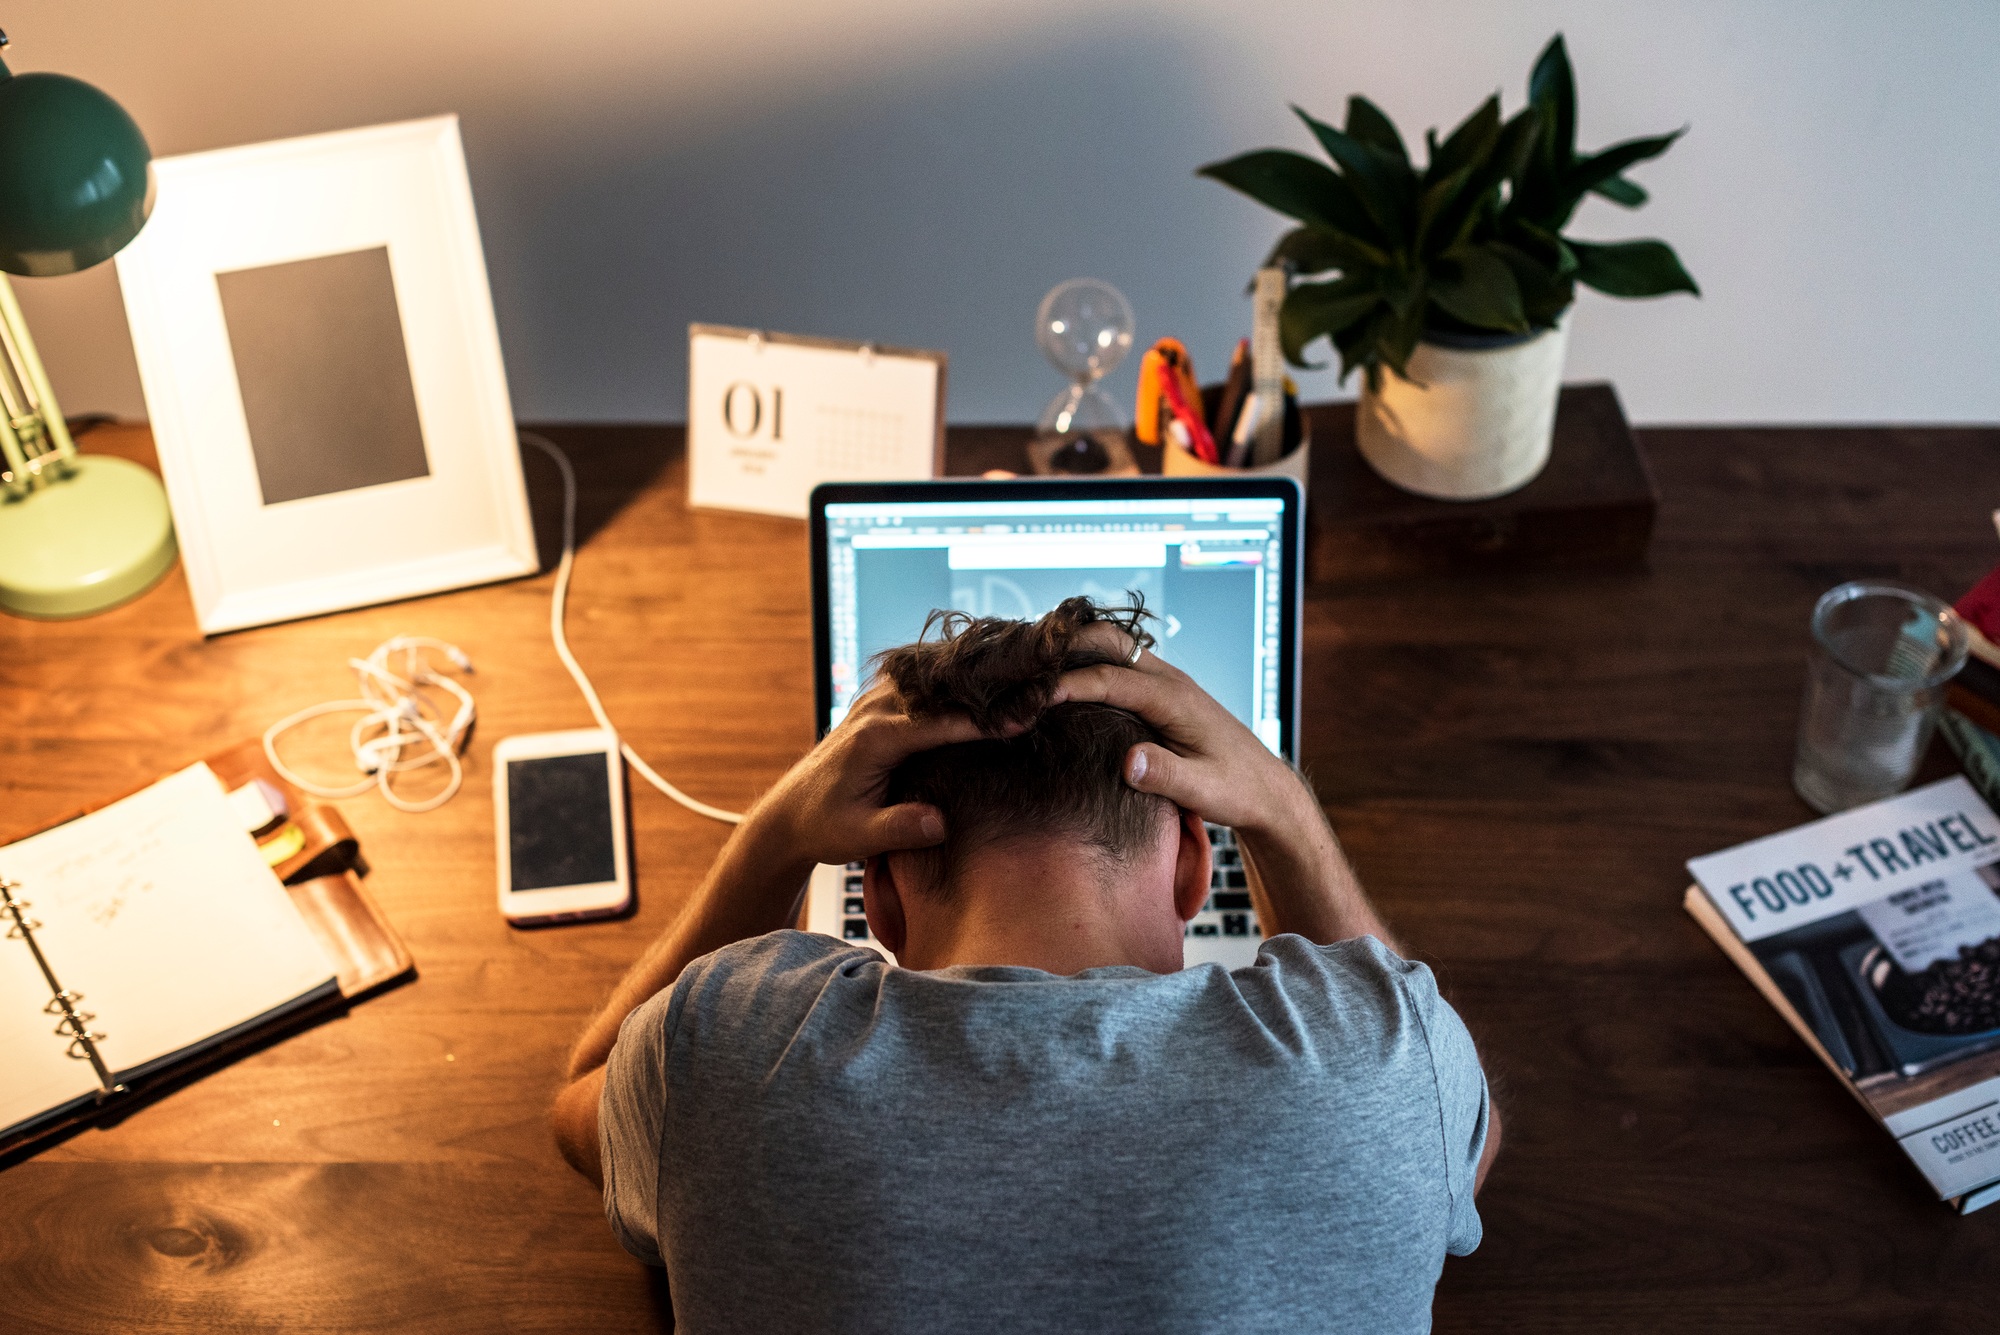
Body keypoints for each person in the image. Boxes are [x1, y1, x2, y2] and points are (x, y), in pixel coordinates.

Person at [551, 597, 1498, 1333]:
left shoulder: (726, 1053)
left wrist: (774, 836)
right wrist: (1284, 809)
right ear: (1196, 866)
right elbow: (1469, 1151)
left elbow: (581, 1097)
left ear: (877, 898)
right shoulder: (1384, 1071)